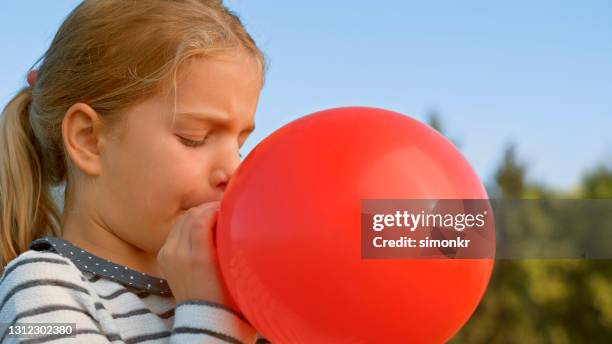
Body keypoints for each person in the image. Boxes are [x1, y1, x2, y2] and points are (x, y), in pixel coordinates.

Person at [0, 1, 270, 343]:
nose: (234, 170)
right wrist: (213, 316)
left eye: (240, 145)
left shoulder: (236, 286)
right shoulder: (40, 289)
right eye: (195, 139)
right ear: (89, 140)